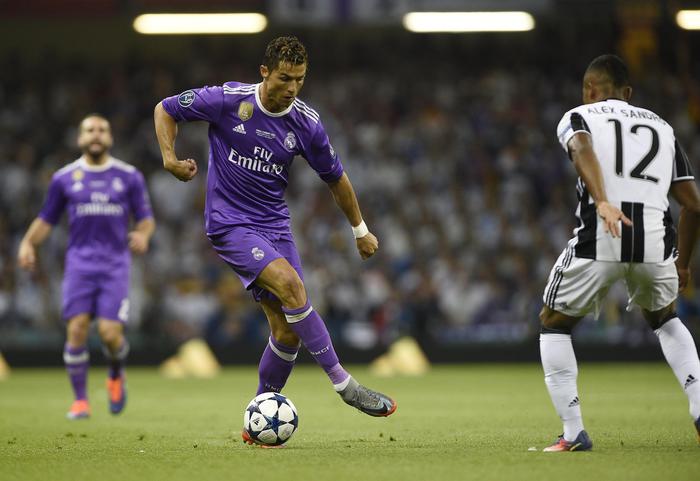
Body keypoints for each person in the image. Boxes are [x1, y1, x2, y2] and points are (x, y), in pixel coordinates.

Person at [153, 36, 396, 440]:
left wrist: (361, 229)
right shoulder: (228, 100)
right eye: (285, 78)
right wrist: (169, 158)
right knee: (292, 285)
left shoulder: (306, 124)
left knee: (286, 331)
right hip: (229, 222)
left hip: (274, 225)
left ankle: (257, 420)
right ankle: (343, 384)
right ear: (265, 72)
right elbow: (165, 109)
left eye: (299, 80)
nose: (292, 88)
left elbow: (336, 179)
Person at [539, 54, 700, 451]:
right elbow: (693, 204)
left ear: (589, 90)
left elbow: (581, 147)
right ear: (628, 92)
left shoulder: (578, 115)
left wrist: (604, 200)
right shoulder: (662, 128)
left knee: (553, 322)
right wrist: (683, 263)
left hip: (602, 237)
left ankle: (574, 432)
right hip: (655, 243)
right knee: (665, 320)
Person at [18, 114, 155, 419]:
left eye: (102, 130)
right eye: (90, 130)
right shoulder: (64, 178)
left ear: (110, 138)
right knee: (77, 329)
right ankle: (80, 400)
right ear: (80, 139)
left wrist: (143, 235)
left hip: (115, 265)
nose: (96, 135)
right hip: (79, 264)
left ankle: (116, 372)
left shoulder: (129, 176)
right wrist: (28, 243)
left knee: (109, 333)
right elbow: (46, 220)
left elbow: (146, 217)